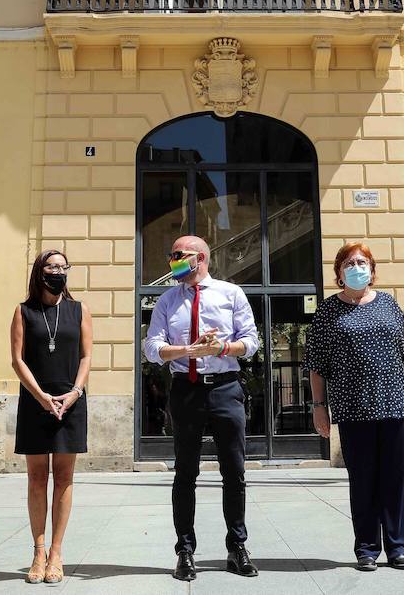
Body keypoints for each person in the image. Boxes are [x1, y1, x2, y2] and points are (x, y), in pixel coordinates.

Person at [141, 235, 261, 581]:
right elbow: (152, 347)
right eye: (171, 254)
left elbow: (251, 342)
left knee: (234, 471)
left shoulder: (231, 293)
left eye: (180, 255)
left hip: (225, 389)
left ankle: (237, 547)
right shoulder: (167, 300)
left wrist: (221, 348)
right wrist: (185, 352)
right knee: (185, 472)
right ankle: (185, 551)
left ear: (201, 258)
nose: (174, 260)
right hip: (186, 391)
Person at [306, 242, 404, 571]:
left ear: (373, 271)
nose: (356, 267)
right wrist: (320, 407)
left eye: (362, 262)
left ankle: (398, 547)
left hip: (390, 405)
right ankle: (367, 548)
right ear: (339, 273)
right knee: (362, 480)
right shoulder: (328, 311)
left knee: (394, 478)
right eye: (349, 263)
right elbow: (317, 365)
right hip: (351, 407)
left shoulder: (389, 304)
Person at [11, 250, 93, 584]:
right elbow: (17, 360)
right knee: (35, 478)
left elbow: (87, 356)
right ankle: (38, 550)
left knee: (64, 477)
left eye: (63, 267)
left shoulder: (79, 310)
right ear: (39, 272)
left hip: (71, 401)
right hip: (35, 400)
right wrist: (41, 397)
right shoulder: (23, 311)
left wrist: (74, 393)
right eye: (52, 267)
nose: (58, 272)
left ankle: (57, 553)